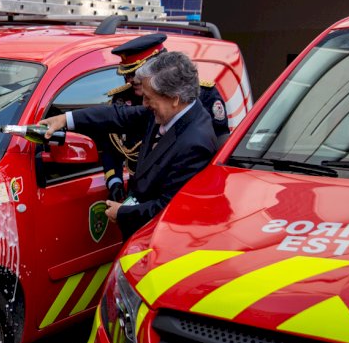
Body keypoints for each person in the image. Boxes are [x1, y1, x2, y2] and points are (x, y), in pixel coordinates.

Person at [40, 51, 219, 240]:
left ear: (174, 98)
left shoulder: (194, 143)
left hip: (158, 241)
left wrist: (122, 213)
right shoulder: (172, 110)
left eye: (149, 98)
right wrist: (65, 119)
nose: (144, 104)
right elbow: (118, 116)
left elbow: (168, 208)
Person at [98, 33, 229, 202]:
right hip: (138, 188)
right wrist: (114, 181)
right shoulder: (123, 99)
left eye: (134, 74)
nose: (129, 80)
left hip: (181, 190)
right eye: (127, 75)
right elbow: (111, 144)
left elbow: (219, 148)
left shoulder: (202, 95)